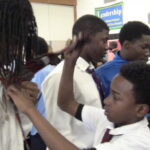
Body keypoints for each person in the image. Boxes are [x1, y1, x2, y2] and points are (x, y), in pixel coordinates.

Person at [7, 41, 150, 150]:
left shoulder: (139, 141)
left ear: (141, 109)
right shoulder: (107, 119)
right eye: (110, 94)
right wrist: (69, 62)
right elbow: (66, 103)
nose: (106, 101)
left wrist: (30, 110)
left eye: (116, 97)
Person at [41, 14, 109, 148]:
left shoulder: (89, 70)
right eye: (103, 40)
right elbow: (58, 130)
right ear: (85, 38)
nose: (106, 47)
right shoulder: (60, 76)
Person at [0, 0, 39, 149]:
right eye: (13, 40)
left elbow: (14, 134)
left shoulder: (6, 76)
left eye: (21, 42)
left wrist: (26, 107)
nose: (16, 50)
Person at [96, 21, 150, 99]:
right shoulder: (101, 75)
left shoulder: (146, 72)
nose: (148, 53)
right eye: (144, 47)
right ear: (126, 45)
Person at [29, 37, 63, 150]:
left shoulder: (38, 73)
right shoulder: (56, 69)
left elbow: (30, 100)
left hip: (40, 128)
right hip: (56, 127)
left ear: (32, 52)